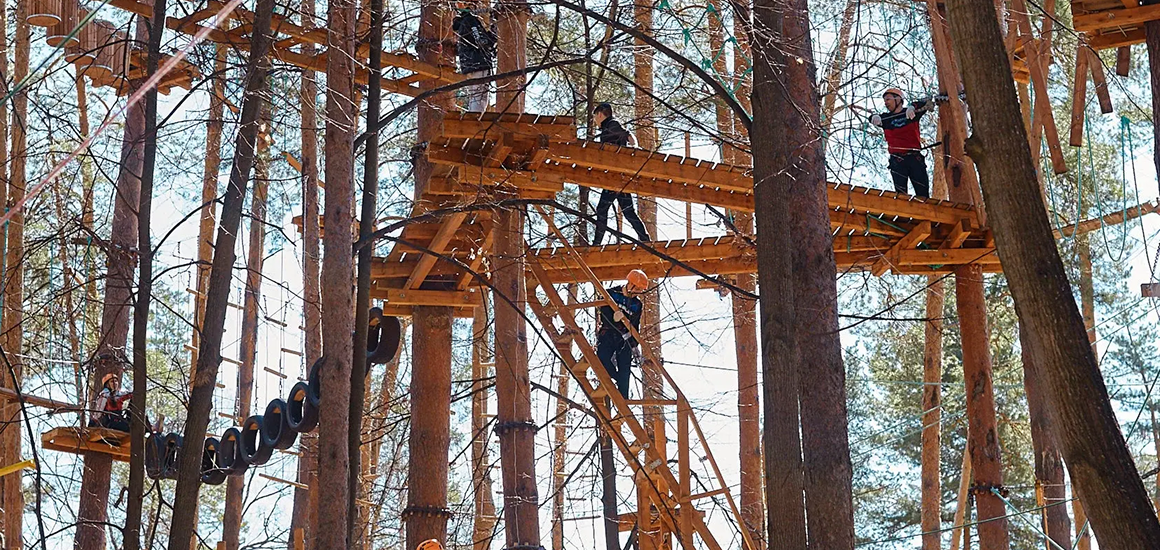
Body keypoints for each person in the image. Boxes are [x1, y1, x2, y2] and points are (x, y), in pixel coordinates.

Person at [591, 102, 651, 245]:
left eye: (595, 117)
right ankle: (644, 238)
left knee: (602, 209)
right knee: (628, 211)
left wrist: (634, 146)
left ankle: (597, 242)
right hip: (619, 177)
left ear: (600, 114)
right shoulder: (609, 127)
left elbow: (628, 134)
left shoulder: (612, 124)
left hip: (615, 177)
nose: (594, 121)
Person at [870, 87, 935, 198]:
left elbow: (926, 101)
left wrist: (912, 107)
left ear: (898, 99)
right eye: (885, 100)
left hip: (914, 158)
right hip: (897, 161)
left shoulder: (911, 114)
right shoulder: (886, 119)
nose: (886, 103)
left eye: (888, 99)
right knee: (901, 196)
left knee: (923, 194)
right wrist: (873, 117)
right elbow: (872, 118)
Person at [596, 269, 648, 399]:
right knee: (602, 358)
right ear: (630, 284)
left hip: (624, 338)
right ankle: (616, 378)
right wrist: (614, 318)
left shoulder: (636, 305)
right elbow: (604, 314)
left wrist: (634, 345)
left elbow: (635, 326)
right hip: (608, 333)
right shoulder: (611, 293)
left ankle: (623, 400)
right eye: (638, 289)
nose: (639, 292)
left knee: (625, 368)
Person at [452, 7, 497, 112]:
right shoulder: (470, 21)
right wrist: (494, 31)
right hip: (478, 62)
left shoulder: (462, 25)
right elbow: (482, 41)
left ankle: (474, 117)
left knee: (475, 96)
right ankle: (476, 121)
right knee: (480, 97)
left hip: (470, 65)